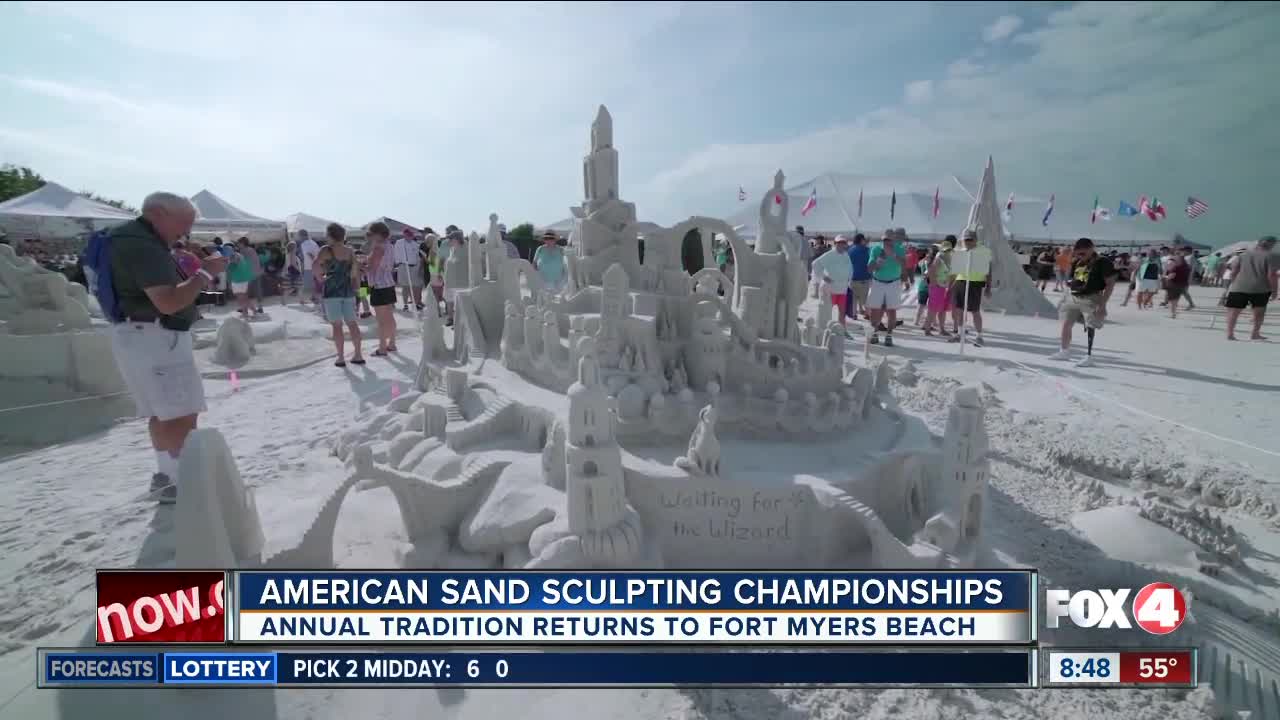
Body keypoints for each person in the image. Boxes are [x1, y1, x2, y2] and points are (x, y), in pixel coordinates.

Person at [107, 192, 227, 502]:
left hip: (139, 336)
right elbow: (170, 302)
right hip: (157, 339)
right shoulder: (142, 245)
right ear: (158, 213)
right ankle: (182, 482)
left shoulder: (127, 238)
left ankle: (167, 476)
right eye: (184, 223)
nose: (186, 232)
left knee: (162, 414)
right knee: (180, 414)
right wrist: (205, 273)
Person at [1050, 238, 1117, 367]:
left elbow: (1110, 284)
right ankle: (1064, 351)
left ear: (1091, 248)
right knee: (1066, 323)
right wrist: (1070, 283)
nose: (1080, 256)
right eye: (1077, 253)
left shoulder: (1102, 262)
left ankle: (1089, 356)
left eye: (1083, 253)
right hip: (1074, 296)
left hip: (1091, 297)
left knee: (1091, 326)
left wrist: (1103, 305)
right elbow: (1073, 277)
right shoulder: (1077, 261)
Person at [314, 223, 365, 367]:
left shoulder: (326, 250)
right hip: (348, 292)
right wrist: (359, 291)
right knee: (352, 324)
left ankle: (341, 357)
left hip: (331, 292)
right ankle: (358, 355)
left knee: (337, 326)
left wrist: (321, 279)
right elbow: (355, 274)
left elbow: (315, 266)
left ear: (331, 236)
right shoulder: (350, 251)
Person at [1224, 236, 1278, 341]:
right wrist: (1275, 291)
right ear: (1271, 244)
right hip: (1260, 288)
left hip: (1239, 286)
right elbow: (1271, 275)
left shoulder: (1243, 254)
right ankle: (1255, 334)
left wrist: (1234, 282)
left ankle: (1230, 334)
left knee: (1233, 311)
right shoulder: (1270, 256)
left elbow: (1234, 271)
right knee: (1259, 312)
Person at [947, 228, 993, 347]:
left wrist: (988, 287)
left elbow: (988, 271)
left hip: (975, 283)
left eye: (969, 239)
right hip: (960, 281)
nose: (967, 242)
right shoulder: (960, 251)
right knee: (959, 310)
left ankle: (979, 336)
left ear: (975, 240)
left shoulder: (983, 251)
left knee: (975, 311)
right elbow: (954, 270)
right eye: (965, 240)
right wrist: (949, 285)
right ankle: (960, 333)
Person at [363, 222, 399, 355]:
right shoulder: (390, 245)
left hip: (378, 286)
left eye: (371, 233)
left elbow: (371, 267)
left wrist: (360, 266)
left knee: (381, 320)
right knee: (389, 317)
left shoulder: (378, 248)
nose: (369, 236)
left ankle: (382, 347)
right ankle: (392, 343)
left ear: (376, 234)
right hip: (389, 284)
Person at [865, 229, 906, 346]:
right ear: (882, 240)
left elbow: (904, 264)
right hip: (878, 282)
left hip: (894, 283)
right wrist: (879, 261)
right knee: (875, 309)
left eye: (889, 240)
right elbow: (869, 268)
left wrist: (893, 255)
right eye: (885, 240)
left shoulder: (899, 249)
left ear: (894, 240)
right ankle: (875, 333)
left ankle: (889, 335)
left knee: (891, 310)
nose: (887, 242)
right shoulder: (876, 249)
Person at [811, 234, 853, 330]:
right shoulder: (830, 254)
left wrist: (849, 280)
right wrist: (823, 276)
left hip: (842, 289)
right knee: (827, 311)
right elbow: (815, 264)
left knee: (842, 312)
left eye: (843, 243)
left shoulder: (846, 255)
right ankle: (824, 329)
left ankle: (842, 330)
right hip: (831, 289)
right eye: (839, 243)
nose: (841, 245)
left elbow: (850, 269)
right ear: (835, 243)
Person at [923, 237, 955, 336]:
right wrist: (933, 283)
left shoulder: (947, 257)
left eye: (949, 250)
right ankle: (927, 329)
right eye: (946, 250)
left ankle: (941, 329)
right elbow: (931, 271)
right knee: (933, 309)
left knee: (942, 309)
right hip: (938, 286)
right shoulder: (940, 257)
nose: (948, 251)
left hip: (943, 286)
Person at [393, 228, 424, 312]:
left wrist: (418, 267)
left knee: (414, 287)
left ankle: (416, 304)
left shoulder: (415, 244)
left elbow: (418, 256)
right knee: (405, 287)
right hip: (403, 266)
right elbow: (396, 254)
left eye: (410, 235)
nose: (409, 237)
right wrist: (398, 263)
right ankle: (405, 304)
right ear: (404, 235)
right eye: (407, 235)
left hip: (414, 267)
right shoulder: (399, 243)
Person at [226, 239, 256, 318]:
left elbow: (232, 267)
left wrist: (229, 262)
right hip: (241, 279)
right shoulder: (238, 255)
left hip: (239, 280)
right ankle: (249, 311)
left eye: (227, 248)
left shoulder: (234, 256)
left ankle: (248, 311)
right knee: (243, 297)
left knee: (241, 297)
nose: (226, 250)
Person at [846, 233, 871, 320]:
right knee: (865, 299)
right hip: (864, 277)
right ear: (861, 240)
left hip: (852, 278)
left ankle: (854, 314)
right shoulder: (867, 250)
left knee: (853, 298)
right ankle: (868, 314)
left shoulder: (850, 250)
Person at [238, 237, 265, 315]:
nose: (238, 245)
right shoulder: (252, 249)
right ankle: (260, 307)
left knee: (244, 291)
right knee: (258, 290)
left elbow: (242, 263)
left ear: (243, 243)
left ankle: (244, 308)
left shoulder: (243, 251)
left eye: (239, 243)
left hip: (249, 274)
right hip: (257, 272)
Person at [297, 229, 321, 309]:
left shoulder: (305, 244)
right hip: (314, 266)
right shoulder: (313, 242)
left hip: (309, 267)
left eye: (299, 236)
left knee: (304, 284)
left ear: (302, 236)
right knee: (314, 283)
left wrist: (303, 266)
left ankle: (302, 299)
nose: (298, 238)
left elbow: (309, 255)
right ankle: (314, 297)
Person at [1163, 252, 1192, 319]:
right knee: (1176, 300)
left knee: (1173, 301)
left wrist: (1165, 277)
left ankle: (1173, 314)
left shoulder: (1175, 268)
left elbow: (1171, 276)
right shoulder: (1187, 267)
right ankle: (1174, 313)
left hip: (1174, 285)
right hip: (1182, 284)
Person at [913, 248, 932, 327]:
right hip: (927, 286)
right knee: (924, 305)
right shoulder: (929, 262)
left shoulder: (922, 262)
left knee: (922, 305)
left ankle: (917, 321)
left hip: (923, 285)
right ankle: (919, 321)